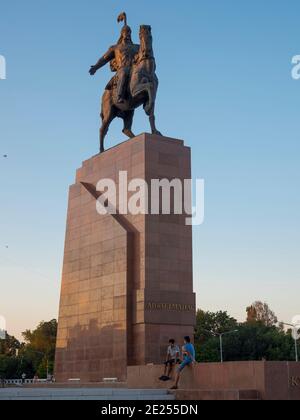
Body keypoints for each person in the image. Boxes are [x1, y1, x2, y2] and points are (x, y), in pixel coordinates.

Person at [89, 21, 139, 104]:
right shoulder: (115, 48)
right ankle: (119, 95)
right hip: (122, 69)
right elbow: (104, 58)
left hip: (134, 69)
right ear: (122, 33)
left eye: (129, 32)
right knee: (123, 73)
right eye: (126, 32)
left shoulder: (137, 47)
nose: (128, 33)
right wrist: (95, 67)